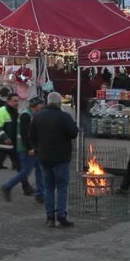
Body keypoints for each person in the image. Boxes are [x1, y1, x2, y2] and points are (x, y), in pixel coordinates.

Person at [31, 92, 78, 228]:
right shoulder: (64, 116)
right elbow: (74, 133)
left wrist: (38, 148)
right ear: (59, 103)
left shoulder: (38, 117)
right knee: (62, 187)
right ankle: (61, 215)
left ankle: (50, 217)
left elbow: (32, 136)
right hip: (61, 157)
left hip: (44, 157)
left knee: (48, 187)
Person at [1, 96, 44, 203]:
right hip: (26, 149)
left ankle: (40, 194)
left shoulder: (31, 114)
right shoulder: (26, 115)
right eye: (41, 104)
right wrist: (30, 148)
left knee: (39, 170)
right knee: (26, 171)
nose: (42, 106)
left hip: (33, 148)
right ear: (35, 106)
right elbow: (25, 134)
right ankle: (7, 186)